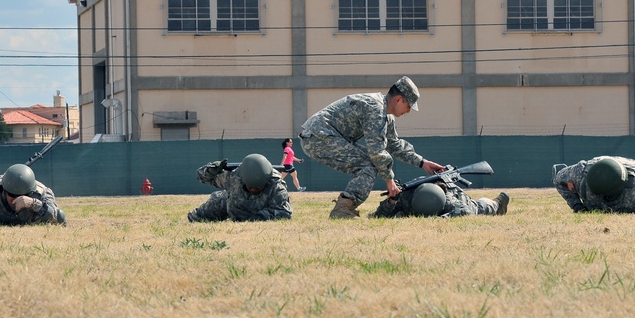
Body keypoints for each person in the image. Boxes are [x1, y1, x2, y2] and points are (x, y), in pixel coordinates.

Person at [299, 76, 445, 219]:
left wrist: (423, 163)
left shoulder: (386, 115)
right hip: (317, 137)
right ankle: (342, 210)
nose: (408, 111)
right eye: (409, 106)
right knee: (368, 165)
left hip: (323, 136)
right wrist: (389, 180)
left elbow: (394, 145)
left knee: (370, 164)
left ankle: (344, 208)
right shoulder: (376, 109)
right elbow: (376, 152)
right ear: (398, 99)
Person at [188, 153, 293, 222]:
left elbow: (284, 212)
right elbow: (202, 177)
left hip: (260, 210)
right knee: (202, 213)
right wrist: (210, 170)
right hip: (232, 206)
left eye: (257, 188)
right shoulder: (234, 177)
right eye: (250, 187)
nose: (253, 190)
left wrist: (258, 218)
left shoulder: (277, 186)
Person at [369, 180, 509, 218]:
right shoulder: (405, 196)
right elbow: (377, 216)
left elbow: (466, 212)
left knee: (478, 208)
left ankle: (498, 203)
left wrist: (438, 219)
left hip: (449, 191)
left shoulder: (449, 201)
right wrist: (392, 201)